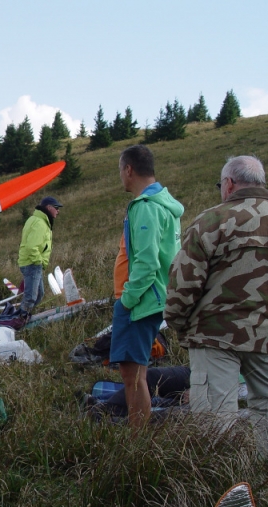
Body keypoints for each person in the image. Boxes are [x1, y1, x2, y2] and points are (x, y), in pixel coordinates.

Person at [164, 155, 268, 449]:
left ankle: (223, 477)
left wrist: (178, 324)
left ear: (229, 184)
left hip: (214, 336)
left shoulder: (212, 221)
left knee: (215, 423)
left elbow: (183, 285)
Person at [110, 144, 184, 430]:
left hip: (141, 302)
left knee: (132, 376)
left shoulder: (145, 207)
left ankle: (138, 440)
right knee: (136, 374)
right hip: (156, 297)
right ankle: (139, 434)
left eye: (120, 170)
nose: (121, 176)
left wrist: (127, 300)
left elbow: (146, 262)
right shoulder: (165, 204)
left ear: (129, 169)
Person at [12, 196, 63, 329]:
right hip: (32, 264)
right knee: (31, 296)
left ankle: (23, 315)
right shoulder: (40, 223)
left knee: (39, 294)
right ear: (49, 208)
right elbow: (31, 247)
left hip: (31, 263)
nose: (58, 211)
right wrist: (39, 261)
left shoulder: (37, 220)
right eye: (56, 208)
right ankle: (20, 320)